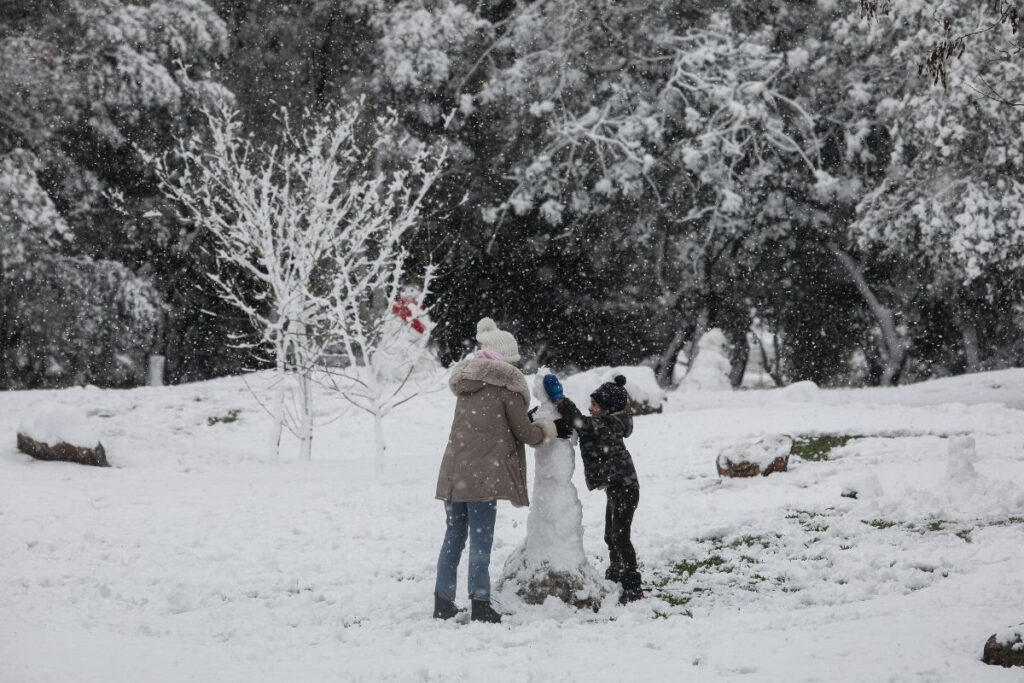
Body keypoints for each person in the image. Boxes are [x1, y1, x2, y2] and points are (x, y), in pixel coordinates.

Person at [433, 318, 559, 623]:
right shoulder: (508, 386)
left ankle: (442, 602)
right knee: (480, 540)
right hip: (483, 477)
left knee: (454, 536)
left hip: (455, 473)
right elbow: (526, 434)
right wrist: (548, 427)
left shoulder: (467, 383)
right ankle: (480, 603)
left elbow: (484, 425)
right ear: (507, 359)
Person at [544, 373, 644, 603]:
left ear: (609, 409)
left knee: (620, 536)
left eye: (595, 405)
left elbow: (581, 423)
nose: (591, 408)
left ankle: (631, 580)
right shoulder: (609, 421)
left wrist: (560, 400)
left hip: (626, 488)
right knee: (611, 534)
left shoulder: (609, 424)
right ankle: (616, 570)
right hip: (617, 487)